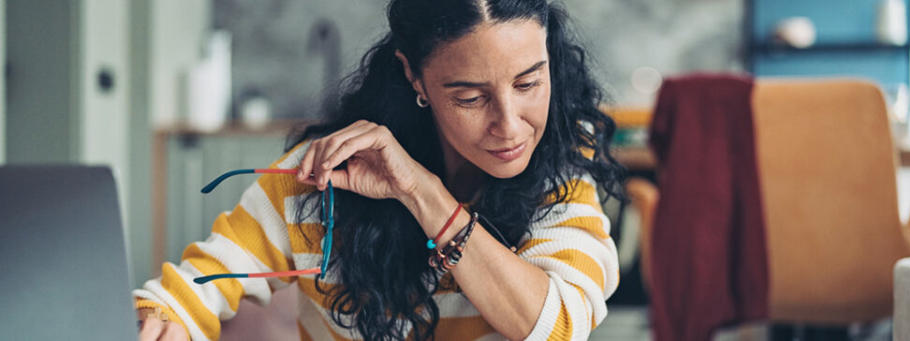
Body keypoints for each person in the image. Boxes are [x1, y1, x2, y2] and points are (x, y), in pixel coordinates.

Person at [135, 0, 625, 340]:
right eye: (470, 98)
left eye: (528, 83)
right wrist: (164, 317)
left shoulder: (562, 172)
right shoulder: (325, 175)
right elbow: (198, 285)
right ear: (413, 74)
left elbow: (556, 327)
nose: (510, 125)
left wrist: (422, 193)